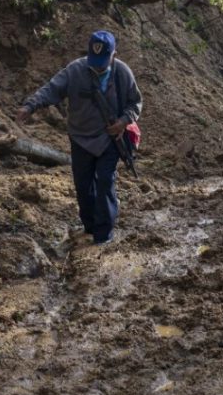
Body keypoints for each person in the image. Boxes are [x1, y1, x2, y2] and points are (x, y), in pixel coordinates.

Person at [16, 30, 142, 245]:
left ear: (114, 55)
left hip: (109, 139)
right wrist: (30, 105)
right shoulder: (75, 70)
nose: (98, 66)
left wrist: (123, 121)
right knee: (83, 185)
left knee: (105, 182)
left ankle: (104, 235)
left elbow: (135, 103)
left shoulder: (122, 73)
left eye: (104, 61)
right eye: (95, 61)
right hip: (80, 137)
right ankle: (90, 226)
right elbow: (51, 89)